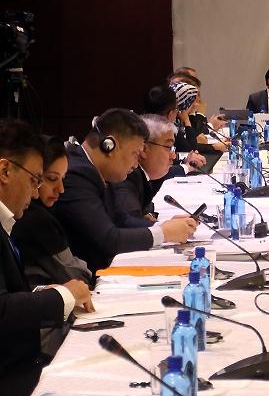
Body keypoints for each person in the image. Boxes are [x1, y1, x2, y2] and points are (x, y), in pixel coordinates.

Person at [0, 119, 92, 396]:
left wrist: (48, 293)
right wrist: (64, 295)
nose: (36, 191)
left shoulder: (7, 224)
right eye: (35, 180)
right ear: (5, 171)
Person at [50, 109, 198, 274]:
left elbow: (121, 220)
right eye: (134, 154)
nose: (135, 164)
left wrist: (165, 227)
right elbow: (108, 239)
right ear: (109, 146)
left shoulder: (97, 171)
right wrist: (163, 233)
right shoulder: (76, 176)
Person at [12, 136, 93, 287]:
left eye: (63, 178)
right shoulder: (35, 219)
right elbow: (76, 277)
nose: (61, 189)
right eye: (52, 178)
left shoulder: (43, 213)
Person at [113, 115, 176, 220]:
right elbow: (128, 223)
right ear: (144, 149)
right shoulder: (128, 177)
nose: (173, 156)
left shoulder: (140, 176)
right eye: (168, 147)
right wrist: (164, 228)